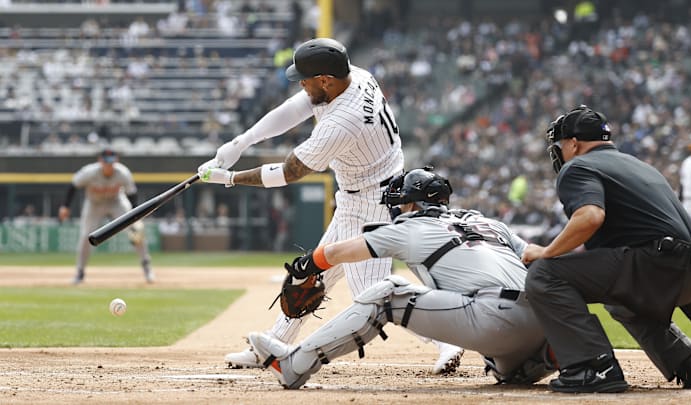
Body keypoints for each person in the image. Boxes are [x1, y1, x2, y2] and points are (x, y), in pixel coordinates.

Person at [197, 38, 464, 373]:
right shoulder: (355, 76)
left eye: (306, 79)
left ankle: (447, 339)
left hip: (371, 203)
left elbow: (288, 172)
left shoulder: (343, 122)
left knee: (375, 296)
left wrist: (230, 179)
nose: (302, 85)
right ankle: (273, 344)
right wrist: (242, 141)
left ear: (325, 79)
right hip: (363, 193)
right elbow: (295, 109)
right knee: (313, 273)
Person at [245, 167, 556, 389]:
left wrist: (305, 265)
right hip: (543, 329)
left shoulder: (411, 227)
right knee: (502, 364)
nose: (394, 209)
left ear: (411, 203)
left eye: (397, 203)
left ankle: (293, 366)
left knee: (388, 294)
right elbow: (535, 257)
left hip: (495, 323)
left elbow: (342, 252)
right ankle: (567, 359)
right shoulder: (488, 223)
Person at [521, 105, 691, 393]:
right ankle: (688, 364)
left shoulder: (578, 166)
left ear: (574, 143)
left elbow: (590, 216)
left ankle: (594, 367)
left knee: (544, 274)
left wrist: (547, 252)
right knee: (620, 296)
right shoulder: (637, 164)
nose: (560, 151)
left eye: (561, 144)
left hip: (657, 266)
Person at [58, 148, 154, 284]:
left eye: (111, 161)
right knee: (86, 236)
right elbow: (73, 185)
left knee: (136, 231)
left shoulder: (123, 172)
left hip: (116, 202)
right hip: (94, 204)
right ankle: (80, 272)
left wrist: (135, 217)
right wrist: (65, 206)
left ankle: (147, 268)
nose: (108, 164)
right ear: (100, 161)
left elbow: (132, 194)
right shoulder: (89, 172)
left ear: (116, 161)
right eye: (106, 161)